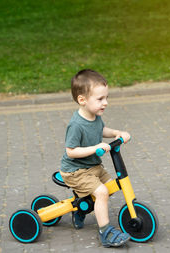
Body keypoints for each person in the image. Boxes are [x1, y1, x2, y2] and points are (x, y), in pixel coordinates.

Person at [60, 69, 131, 247]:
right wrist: (95, 148)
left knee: (111, 187)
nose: (105, 103)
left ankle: (81, 207)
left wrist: (116, 133)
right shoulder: (76, 124)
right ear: (82, 100)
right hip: (75, 171)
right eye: (100, 99)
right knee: (101, 192)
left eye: (106, 98)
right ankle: (105, 232)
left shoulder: (95, 116)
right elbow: (71, 151)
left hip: (92, 167)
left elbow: (101, 131)